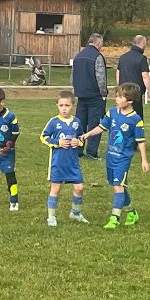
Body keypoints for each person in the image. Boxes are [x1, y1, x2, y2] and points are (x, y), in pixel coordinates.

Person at [82, 82, 150, 229]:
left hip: (123, 159)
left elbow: (141, 141)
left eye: (120, 97)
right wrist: (88, 134)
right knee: (119, 186)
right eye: (117, 96)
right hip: (110, 157)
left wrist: (144, 160)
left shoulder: (136, 120)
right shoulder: (112, 112)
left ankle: (115, 218)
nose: (116, 99)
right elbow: (102, 127)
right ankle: (132, 212)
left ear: (130, 100)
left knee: (118, 187)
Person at [40, 90, 89, 226]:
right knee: (55, 188)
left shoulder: (77, 122)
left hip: (73, 163)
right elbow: (43, 137)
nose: (64, 108)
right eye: (61, 105)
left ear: (73, 105)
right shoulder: (53, 122)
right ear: (57, 105)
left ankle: (75, 213)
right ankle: (51, 216)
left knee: (79, 188)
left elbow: (81, 137)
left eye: (67, 105)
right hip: (57, 163)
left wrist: (78, 142)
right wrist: (57, 142)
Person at [71, 33, 107, 160]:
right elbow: (100, 77)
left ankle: (78, 150)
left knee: (80, 124)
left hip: (81, 96)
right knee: (94, 124)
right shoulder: (97, 56)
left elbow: (72, 77)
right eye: (101, 44)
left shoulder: (78, 56)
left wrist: (76, 90)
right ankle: (92, 152)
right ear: (98, 43)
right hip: (95, 95)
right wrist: (103, 93)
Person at [116, 34, 150, 117]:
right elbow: (145, 76)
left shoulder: (123, 57)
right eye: (145, 43)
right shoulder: (142, 58)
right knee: (136, 115)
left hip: (123, 91)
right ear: (142, 43)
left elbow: (118, 73)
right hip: (135, 92)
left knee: (123, 113)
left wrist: (120, 88)